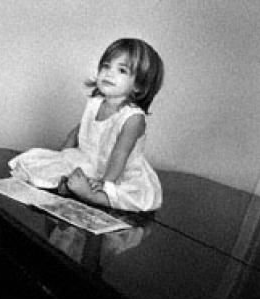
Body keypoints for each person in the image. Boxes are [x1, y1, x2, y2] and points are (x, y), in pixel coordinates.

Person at [9, 38, 164, 212]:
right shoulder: (95, 103)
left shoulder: (133, 118)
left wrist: (105, 183)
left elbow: (120, 154)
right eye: (106, 66)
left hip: (117, 172)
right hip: (89, 160)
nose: (109, 74)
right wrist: (62, 155)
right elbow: (78, 131)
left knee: (122, 195)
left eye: (121, 70)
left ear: (139, 86)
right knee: (42, 163)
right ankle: (69, 187)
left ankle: (92, 196)